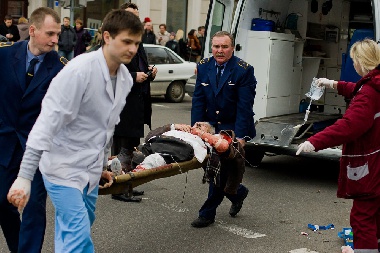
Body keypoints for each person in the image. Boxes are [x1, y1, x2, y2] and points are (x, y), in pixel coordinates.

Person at [7, 9, 143, 252]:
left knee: (74, 231)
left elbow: (106, 128)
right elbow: (45, 125)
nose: (132, 49)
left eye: (136, 43)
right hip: (62, 169)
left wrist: (101, 167)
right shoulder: (78, 71)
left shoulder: (125, 79)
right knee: (78, 239)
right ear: (107, 37)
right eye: (126, 41)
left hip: (89, 171)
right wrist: (25, 177)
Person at [296, 39, 380, 252]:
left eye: (354, 61)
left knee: (363, 219)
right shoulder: (375, 83)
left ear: (361, 62)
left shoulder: (369, 92)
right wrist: (332, 84)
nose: (353, 65)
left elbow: (350, 125)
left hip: (372, 165)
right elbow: (358, 90)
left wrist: (313, 142)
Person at [0, 7, 64, 253]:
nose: (55, 40)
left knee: (33, 207)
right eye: (50, 33)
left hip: (38, 148)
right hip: (5, 143)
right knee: (2, 201)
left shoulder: (60, 68)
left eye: (58, 34)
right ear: (33, 31)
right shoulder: (5, 56)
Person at [190, 31, 257, 228]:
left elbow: (245, 107)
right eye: (216, 47)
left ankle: (207, 213)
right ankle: (238, 193)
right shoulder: (203, 66)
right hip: (210, 126)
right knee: (218, 171)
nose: (219, 51)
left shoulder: (243, 70)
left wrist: (241, 137)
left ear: (232, 48)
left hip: (232, 128)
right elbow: (198, 99)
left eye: (224, 47)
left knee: (218, 171)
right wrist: (197, 127)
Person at [111, 2, 158, 203]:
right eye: (131, 15)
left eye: (137, 16)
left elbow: (141, 69)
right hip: (123, 106)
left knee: (131, 147)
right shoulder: (115, 41)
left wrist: (150, 73)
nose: (135, 19)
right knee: (121, 148)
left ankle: (128, 184)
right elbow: (109, 73)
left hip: (137, 105)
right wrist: (132, 76)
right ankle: (117, 187)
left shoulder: (137, 41)